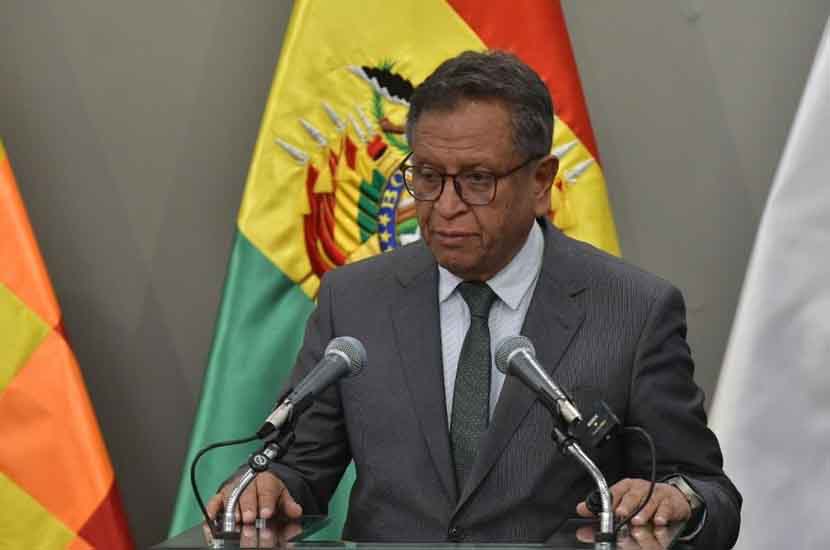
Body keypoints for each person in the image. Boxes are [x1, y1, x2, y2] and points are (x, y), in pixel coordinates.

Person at [208, 50, 741, 548]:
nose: (445, 206)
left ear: (541, 181)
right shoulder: (354, 299)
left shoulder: (633, 310)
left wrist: (677, 500)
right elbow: (300, 467)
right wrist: (268, 488)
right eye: (427, 176)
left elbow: (706, 489)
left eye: (477, 179)